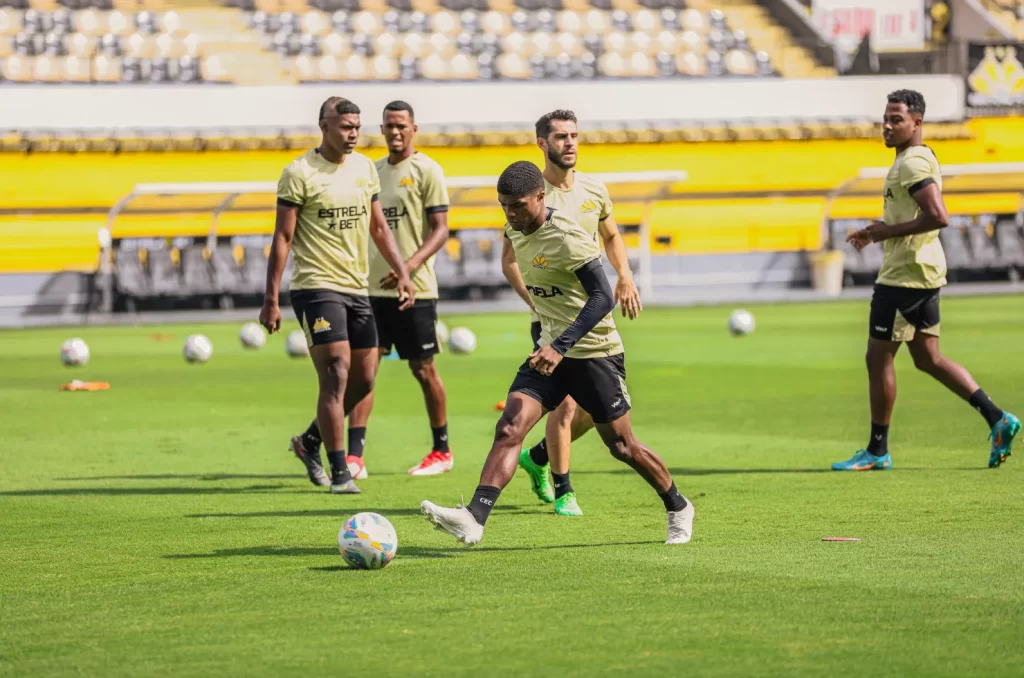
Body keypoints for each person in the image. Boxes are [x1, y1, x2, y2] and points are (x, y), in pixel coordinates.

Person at [421, 161, 694, 546]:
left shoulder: (567, 236)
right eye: (504, 206)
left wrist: (560, 346)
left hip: (594, 352)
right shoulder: (515, 231)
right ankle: (474, 518)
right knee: (510, 427)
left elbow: (602, 298)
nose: (510, 214)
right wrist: (550, 343)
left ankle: (678, 506)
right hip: (550, 350)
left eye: (517, 205)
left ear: (540, 197)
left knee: (622, 446)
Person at [835, 89, 1019, 471]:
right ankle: (997, 418)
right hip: (922, 270)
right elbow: (917, 217)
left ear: (917, 122)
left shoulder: (912, 164)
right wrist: (879, 230)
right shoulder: (913, 158)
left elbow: (939, 216)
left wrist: (888, 234)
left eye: (896, 119)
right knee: (928, 358)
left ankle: (877, 450)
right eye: (885, 118)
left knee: (878, 356)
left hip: (905, 275)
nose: (887, 125)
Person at [261, 97, 415, 494]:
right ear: (323, 126)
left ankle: (309, 442)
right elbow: (282, 237)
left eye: (357, 127)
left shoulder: (365, 168)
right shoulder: (298, 173)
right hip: (315, 287)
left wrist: (402, 272)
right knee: (337, 373)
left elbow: (379, 227)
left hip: (356, 286)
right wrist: (271, 298)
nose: (353, 134)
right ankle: (340, 471)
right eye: (346, 126)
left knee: (364, 380)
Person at [502, 109, 642, 517]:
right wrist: (534, 299)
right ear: (542, 144)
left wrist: (626, 277)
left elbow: (612, 236)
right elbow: (509, 259)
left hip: (594, 318)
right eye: (561, 136)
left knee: (593, 413)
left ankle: (540, 457)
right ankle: (565, 491)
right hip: (550, 324)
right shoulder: (528, 193)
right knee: (562, 407)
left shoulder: (594, 190)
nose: (570, 143)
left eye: (575, 135)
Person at [347, 100, 454, 479]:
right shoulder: (373, 172)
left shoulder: (428, 171)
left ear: (414, 129)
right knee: (365, 371)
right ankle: (354, 456)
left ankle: (442, 450)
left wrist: (405, 268)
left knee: (423, 369)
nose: (395, 132)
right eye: (389, 126)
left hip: (417, 289)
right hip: (372, 290)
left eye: (401, 126)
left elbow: (441, 230)